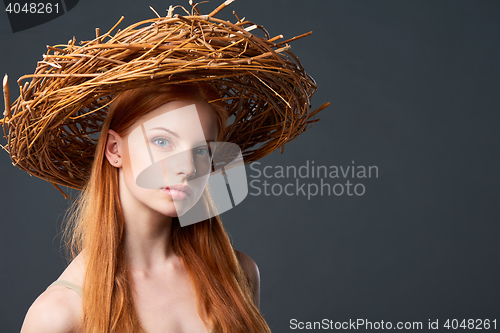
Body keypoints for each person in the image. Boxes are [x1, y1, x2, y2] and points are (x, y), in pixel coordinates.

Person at [1, 2, 328, 332]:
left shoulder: (239, 275)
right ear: (115, 149)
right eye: (162, 142)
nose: (186, 167)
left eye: (201, 151)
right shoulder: (59, 314)